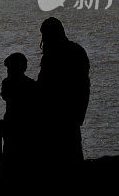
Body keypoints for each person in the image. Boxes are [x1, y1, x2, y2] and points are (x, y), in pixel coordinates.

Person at [36, 17, 90, 168]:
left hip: (57, 118)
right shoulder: (77, 51)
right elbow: (84, 87)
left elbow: (44, 87)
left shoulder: (52, 56)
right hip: (70, 116)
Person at [0, 52, 37, 174]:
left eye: (10, 68)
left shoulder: (8, 83)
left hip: (15, 123)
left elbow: (5, 96)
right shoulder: (30, 84)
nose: (8, 71)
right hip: (20, 124)